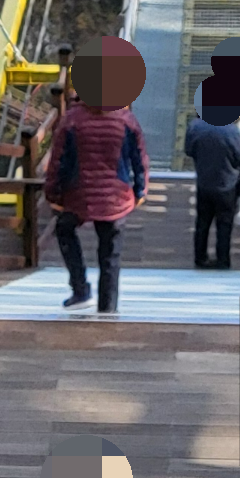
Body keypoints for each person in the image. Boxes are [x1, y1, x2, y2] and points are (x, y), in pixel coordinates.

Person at [49, 68, 147, 314]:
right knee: (110, 254)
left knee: (64, 228)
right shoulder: (126, 119)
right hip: (116, 198)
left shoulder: (72, 119)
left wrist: (53, 194)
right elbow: (140, 160)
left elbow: (57, 161)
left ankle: (80, 289)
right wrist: (140, 191)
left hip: (78, 195)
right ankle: (108, 308)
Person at [185, 94, 240, 269]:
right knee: (224, 224)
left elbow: (189, 150)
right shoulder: (232, 131)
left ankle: (200, 258)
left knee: (202, 222)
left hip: (204, 181)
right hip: (227, 184)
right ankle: (222, 260)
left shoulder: (195, 126)